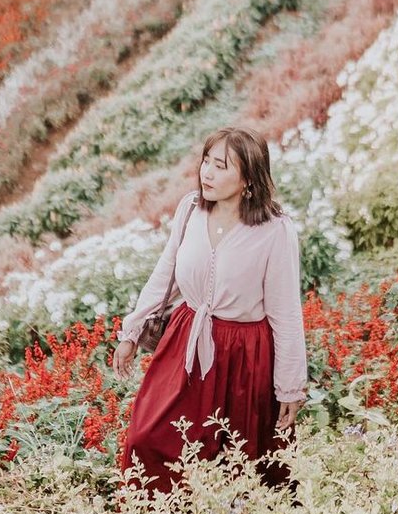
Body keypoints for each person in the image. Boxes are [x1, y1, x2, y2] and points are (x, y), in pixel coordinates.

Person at [113, 127, 308, 493]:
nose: (208, 173)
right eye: (206, 162)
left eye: (221, 166)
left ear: (248, 178)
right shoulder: (190, 209)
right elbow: (166, 274)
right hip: (186, 339)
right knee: (147, 436)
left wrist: (289, 387)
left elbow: (285, 315)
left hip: (245, 354)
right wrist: (132, 332)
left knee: (239, 459)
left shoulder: (275, 231)